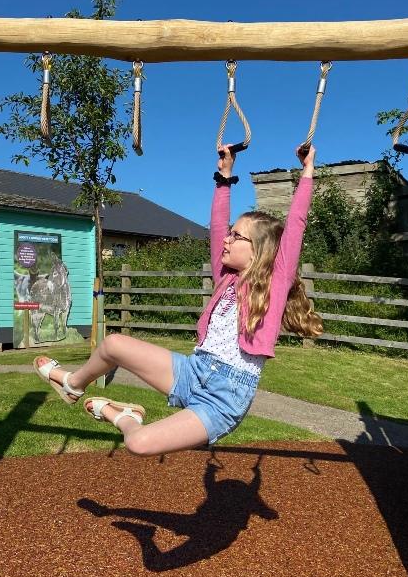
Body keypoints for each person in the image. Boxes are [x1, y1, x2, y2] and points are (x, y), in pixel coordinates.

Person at [34, 143, 323, 456]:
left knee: (137, 443)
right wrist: (224, 178)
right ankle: (74, 385)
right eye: (230, 233)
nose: (226, 239)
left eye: (236, 236)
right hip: (192, 371)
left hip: (224, 398)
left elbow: (295, 228)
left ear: (259, 250)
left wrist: (307, 172)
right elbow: (215, 230)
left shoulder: (272, 287)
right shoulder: (225, 279)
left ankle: (126, 418)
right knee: (112, 344)